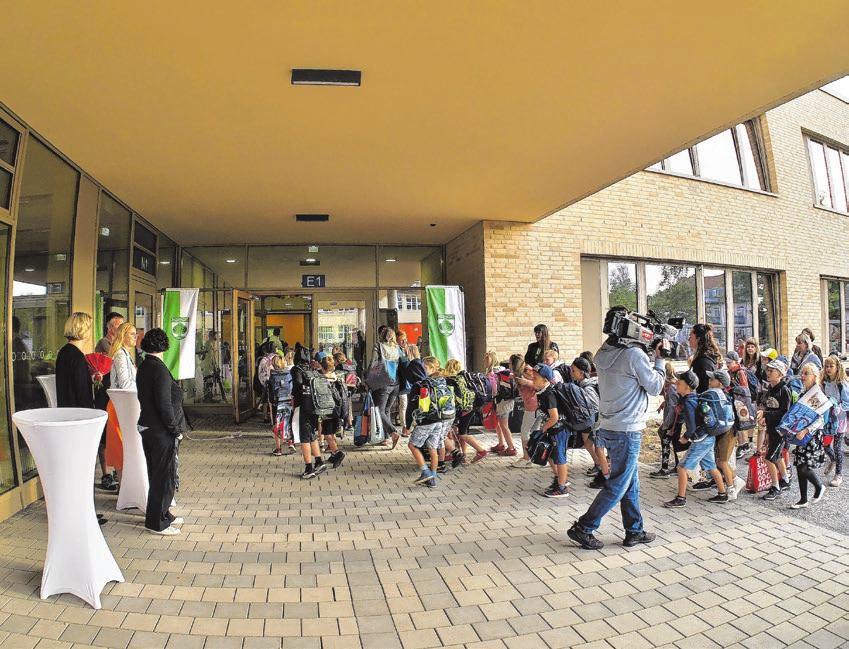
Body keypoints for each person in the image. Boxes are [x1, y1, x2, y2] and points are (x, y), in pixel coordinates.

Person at [566, 306, 665, 551]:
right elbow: (654, 387)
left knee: (631, 481)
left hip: (610, 422)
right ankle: (584, 527)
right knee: (619, 483)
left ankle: (634, 531)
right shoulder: (633, 355)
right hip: (627, 427)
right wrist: (661, 360)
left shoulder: (604, 352)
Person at [56, 311, 117, 493]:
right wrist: (90, 414)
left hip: (67, 413)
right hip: (77, 416)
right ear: (83, 329)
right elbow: (80, 391)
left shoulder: (65, 353)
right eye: (89, 327)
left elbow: (70, 384)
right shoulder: (76, 355)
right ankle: (80, 505)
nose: (90, 332)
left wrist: (89, 377)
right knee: (80, 463)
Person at [136, 328, 186, 536]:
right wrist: (175, 430)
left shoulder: (145, 366)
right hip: (160, 430)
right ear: (164, 346)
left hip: (148, 426)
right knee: (163, 476)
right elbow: (164, 404)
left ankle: (161, 513)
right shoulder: (159, 370)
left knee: (156, 474)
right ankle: (157, 522)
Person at [662, 369, 730, 508]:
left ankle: (680, 499)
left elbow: (692, 427)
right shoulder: (694, 398)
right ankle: (722, 494)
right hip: (708, 436)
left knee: (681, 467)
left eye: (679, 382)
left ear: (687, 386)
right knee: (711, 466)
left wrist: (685, 438)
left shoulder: (688, 402)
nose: (675, 383)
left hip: (700, 440)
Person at [524, 364, 571, 498]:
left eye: (536, 376)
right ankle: (558, 478)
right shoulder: (542, 391)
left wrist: (543, 429)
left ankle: (562, 487)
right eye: (533, 375)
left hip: (559, 430)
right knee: (551, 455)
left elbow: (554, 417)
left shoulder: (549, 394)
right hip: (552, 429)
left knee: (560, 457)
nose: (532, 378)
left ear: (545, 380)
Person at [789, 364, 827, 508]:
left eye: (806, 373)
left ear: (814, 377)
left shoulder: (817, 395)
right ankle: (803, 499)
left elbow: (819, 419)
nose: (802, 376)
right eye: (802, 373)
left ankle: (819, 486)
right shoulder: (802, 393)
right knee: (799, 465)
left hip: (811, 435)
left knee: (804, 466)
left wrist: (806, 431)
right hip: (801, 434)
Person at [105, 322, 138, 489]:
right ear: (123, 335)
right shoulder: (119, 355)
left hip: (124, 406)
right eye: (132, 334)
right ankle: (124, 488)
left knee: (124, 445)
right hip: (119, 406)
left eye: (135, 334)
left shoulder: (126, 354)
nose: (135, 337)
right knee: (120, 446)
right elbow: (125, 383)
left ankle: (126, 487)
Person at [757, 358, 793, 501]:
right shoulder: (771, 389)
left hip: (781, 430)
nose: (768, 373)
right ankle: (785, 479)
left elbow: (786, 413)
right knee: (777, 456)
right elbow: (771, 408)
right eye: (767, 370)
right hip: (772, 428)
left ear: (780, 374)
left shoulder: (784, 390)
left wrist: (766, 414)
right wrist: (766, 417)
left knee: (769, 458)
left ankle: (775, 486)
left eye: (771, 371)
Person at [369, 328, 403, 447]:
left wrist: (369, 379)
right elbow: (403, 362)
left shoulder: (379, 346)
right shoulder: (398, 348)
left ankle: (393, 432)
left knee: (379, 410)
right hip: (396, 383)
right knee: (386, 410)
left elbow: (373, 362)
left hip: (383, 382)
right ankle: (385, 438)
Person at [820, 355, 848, 487]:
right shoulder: (824, 382)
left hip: (839, 420)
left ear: (837, 368)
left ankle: (839, 474)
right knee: (825, 444)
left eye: (831, 366)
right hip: (827, 419)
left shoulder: (842, 384)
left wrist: (838, 408)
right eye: (827, 366)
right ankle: (834, 460)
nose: (829, 369)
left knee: (837, 447)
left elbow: (847, 402)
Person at [650, 362, 681, 479]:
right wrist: (663, 404)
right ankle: (678, 466)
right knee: (673, 442)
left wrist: (666, 424)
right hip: (676, 420)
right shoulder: (671, 386)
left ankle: (665, 468)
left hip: (673, 422)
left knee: (666, 441)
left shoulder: (671, 387)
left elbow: (673, 407)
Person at [268, 352, 295, 456]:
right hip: (288, 400)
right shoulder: (289, 374)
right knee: (288, 421)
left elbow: (270, 391)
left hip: (277, 402)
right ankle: (290, 442)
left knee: (277, 424)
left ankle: (278, 449)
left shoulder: (272, 376)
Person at [688, 323, 722, 392]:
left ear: (698, 339)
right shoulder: (700, 358)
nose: (689, 339)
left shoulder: (704, 361)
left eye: (691, 337)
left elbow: (705, 386)